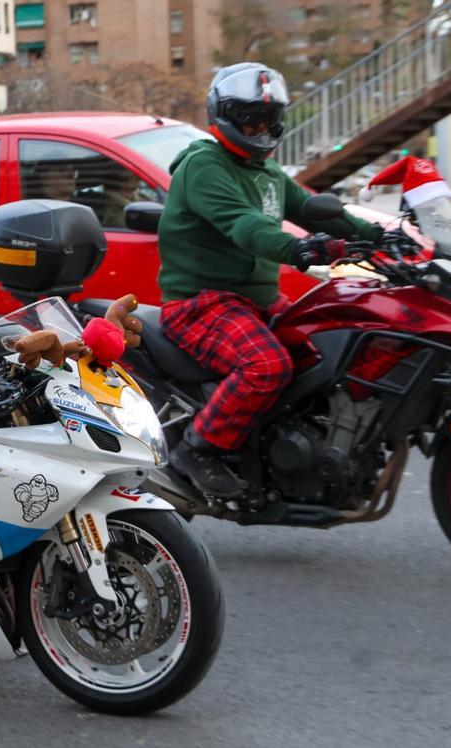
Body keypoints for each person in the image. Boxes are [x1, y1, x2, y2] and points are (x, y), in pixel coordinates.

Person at [157, 63, 385, 500]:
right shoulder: (204, 166)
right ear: (223, 113)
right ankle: (197, 449)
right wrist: (296, 249)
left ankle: (288, 449)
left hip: (254, 303)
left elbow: (318, 210)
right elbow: (243, 225)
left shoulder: (266, 171)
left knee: (333, 350)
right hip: (201, 304)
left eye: (269, 116)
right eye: (249, 116)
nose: (260, 126)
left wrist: (382, 237)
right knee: (267, 366)